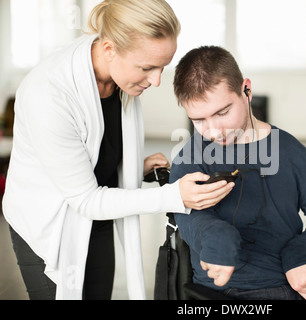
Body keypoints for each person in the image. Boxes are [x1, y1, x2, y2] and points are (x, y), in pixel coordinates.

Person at [3, 1, 233, 300]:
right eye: (147, 68)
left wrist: (133, 168)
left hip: (95, 215)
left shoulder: (119, 77)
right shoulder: (48, 94)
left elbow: (91, 154)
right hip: (51, 224)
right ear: (110, 49)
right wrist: (174, 197)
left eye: (163, 67)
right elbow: (84, 198)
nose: (156, 80)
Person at [170, 46, 306, 300]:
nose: (214, 130)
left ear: (246, 90)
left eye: (222, 112)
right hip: (217, 292)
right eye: (199, 120)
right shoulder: (190, 156)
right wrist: (217, 237)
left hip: (285, 285)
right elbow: (186, 216)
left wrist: (300, 253)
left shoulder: (291, 151)